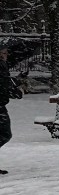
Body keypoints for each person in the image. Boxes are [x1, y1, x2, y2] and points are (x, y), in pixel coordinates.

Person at [0, 44, 25, 175]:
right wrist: (16, 85)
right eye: (4, 52)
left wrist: (16, 80)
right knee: (4, 134)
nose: (6, 55)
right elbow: (4, 83)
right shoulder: (1, 65)